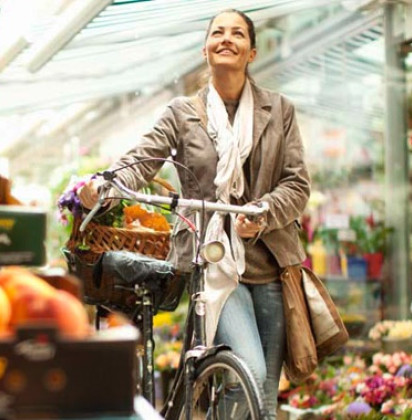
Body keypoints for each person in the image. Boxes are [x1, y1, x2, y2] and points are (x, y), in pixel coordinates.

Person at [78, 9, 310, 419]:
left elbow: (297, 183)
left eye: (237, 33)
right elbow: (142, 160)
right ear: (205, 50)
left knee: (267, 396)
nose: (227, 39)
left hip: (273, 264)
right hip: (213, 262)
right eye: (217, 32)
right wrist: (107, 184)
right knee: (248, 375)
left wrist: (265, 210)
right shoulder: (182, 113)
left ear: (251, 51)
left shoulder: (280, 110)